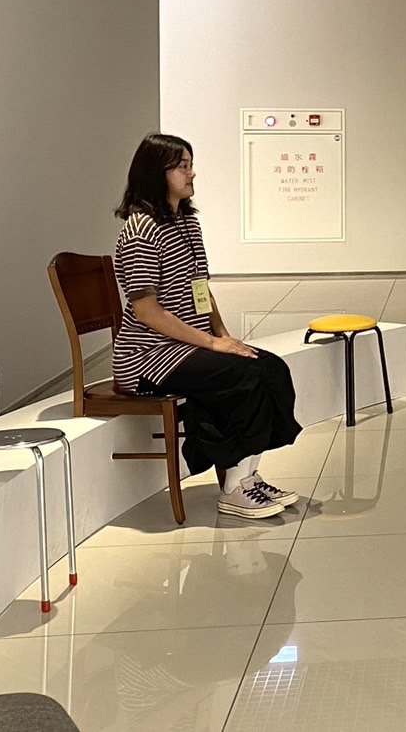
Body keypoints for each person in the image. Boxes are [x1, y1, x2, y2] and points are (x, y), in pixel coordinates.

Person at [112, 133, 302, 519]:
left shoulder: (186, 223)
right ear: (157, 172)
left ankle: (247, 477)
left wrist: (224, 336)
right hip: (147, 357)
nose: (192, 173)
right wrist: (213, 345)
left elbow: (201, 290)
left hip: (187, 347)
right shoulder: (140, 231)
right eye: (182, 166)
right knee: (241, 377)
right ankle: (233, 489)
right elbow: (147, 312)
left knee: (270, 368)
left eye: (190, 165)